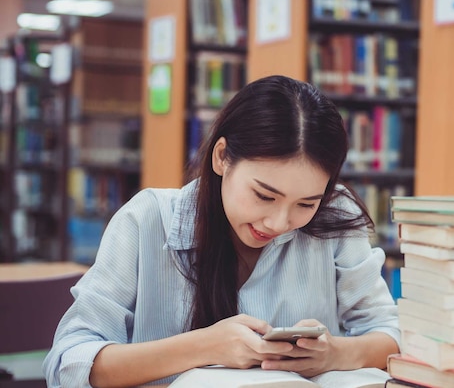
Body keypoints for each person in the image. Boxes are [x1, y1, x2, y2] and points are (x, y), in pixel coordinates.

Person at [43, 75, 400, 388]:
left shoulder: (335, 212)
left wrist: (335, 354)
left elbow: (392, 332)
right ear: (221, 157)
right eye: (264, 195)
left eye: (306, 204)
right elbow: (70, 362)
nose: (278, 223)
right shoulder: (147, 220)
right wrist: (204, 347)